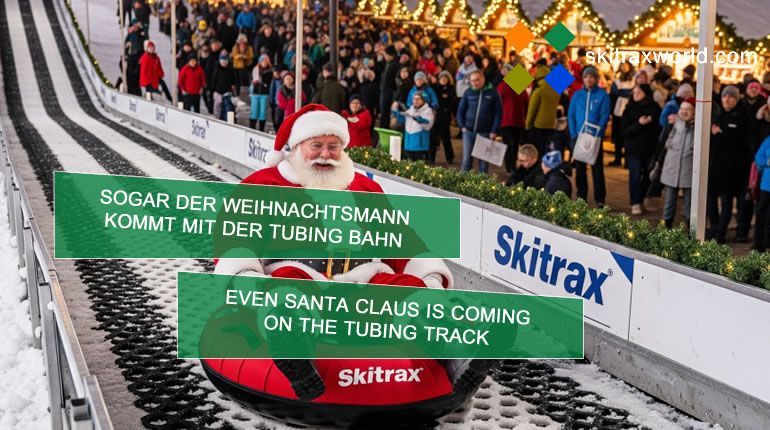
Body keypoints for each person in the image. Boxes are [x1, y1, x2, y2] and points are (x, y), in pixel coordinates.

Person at [211, 103, 493, 402]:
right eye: (316, 145)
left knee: (406, 290)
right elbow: (234, 235)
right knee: (287, 291)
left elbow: (398, 237)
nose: (325, 154)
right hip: (301, 275)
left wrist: (429, 276)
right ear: (296, 147)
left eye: (333, 147)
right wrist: (246, 277)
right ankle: (295, 353)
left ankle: (457, 352)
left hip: (362, 279)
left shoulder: (364, 188)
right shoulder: (264, 185)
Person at [707, 85, 750, 243]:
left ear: (736, 99)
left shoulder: (742, 117)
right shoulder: (717, 115)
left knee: (726, 202)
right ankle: (714, 227)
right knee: (711, 200)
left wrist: (719, 134)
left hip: (731, 170)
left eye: (731, 97)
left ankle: (720, 233)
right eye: (724, 96)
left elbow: (740, 142)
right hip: (714, 167)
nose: (727, 99)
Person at [568, 66, 610, 207]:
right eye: (586, 77)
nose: (589, 79)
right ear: (583, 78)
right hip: (579, 137)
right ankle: (581, 197)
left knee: (597, 169)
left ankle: (600, 199)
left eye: (592, 77)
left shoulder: (603, 95)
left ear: (596, 79)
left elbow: (604, 115)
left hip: (595, 138)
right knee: (580, 169)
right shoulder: (577, 95)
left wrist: (598, 134)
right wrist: (573, 134)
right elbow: (571, 115)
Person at [622, 84, 661, 215]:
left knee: (649, 176)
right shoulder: (629, 108)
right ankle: (635, 203)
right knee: (635, 175)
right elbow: (624, 131)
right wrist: (639, 124)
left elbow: (659, 128)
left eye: (639, 91)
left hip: (650, 149)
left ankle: (641, 198)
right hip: (633, 149)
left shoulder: (655, 108)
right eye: (634, 92)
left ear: (646, 93)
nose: (636, 94)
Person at [457, 71, 502, 173]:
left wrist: (494, 131)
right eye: (472, 81)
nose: (475, 83)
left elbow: (498, 113)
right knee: (466, 161)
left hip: (485, 132)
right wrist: (462, 126)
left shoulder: (493, 92)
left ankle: (482, 182)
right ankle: (463, 181)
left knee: (483, 163)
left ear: (483, 79)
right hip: (468, 132)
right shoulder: (468, 92)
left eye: (477, 80)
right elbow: (460, 110)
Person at [660, 98, 695, 229]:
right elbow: (663, 143)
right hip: (671, 169)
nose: (684, 112)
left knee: (689, 206)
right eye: (682, 109)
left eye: (688, 109)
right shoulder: (673, 125)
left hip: (689, 171)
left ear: (694, 112)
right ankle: (665, 231)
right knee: (668, 204)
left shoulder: (697, 128)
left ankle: (690, 232)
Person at [497, 64, 528, 172]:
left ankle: (509, 165)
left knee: (507, 145)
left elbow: (498, 102)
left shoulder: (501, 86)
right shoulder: (519, 85)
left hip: (505, 120)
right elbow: (526, 101)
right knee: (515, 145)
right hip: (518, 120)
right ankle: (512, 165)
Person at [526, 65, 559, 158]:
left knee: (538, 150)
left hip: (538, 125)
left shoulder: (538, 89)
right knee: (547, 149)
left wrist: (528, 125)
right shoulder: (556, 87)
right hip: (551, 124)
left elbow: (532, 109)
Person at [393, 92, 435, 161]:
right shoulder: (410, 110)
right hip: (408, 144)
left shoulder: (428, 111)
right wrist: (396, 111)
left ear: (423, 100)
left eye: (418, 99)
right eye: (414, 99)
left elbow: (428, 125)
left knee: (419, 165)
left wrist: (421, 120)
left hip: (420, 146)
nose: (415, 101)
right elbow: (401, 120)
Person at [609, 61, 635, 166]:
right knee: (618, 136)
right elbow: (614, 94)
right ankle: (617, 158)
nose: (623, 67)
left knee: (628, 136)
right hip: (618, 111)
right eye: (622, 66)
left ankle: (628, 161)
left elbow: (629, 93)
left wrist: (622, 92)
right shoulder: (617, 80)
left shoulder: (633, 79)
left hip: (629, 111)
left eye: (625, 65)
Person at [432, 71, 456, 164]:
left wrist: (446, 98)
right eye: (441, 78)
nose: (443, 80)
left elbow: (452, 101)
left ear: (448, 79)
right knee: (434, 138)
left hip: (445, 117)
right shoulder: (436, 87)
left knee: (446, 138)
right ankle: (431, 158)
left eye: (445, 78)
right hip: (435, 116)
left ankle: (450, 157)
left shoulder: (451, 88)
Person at [752, 134, 770, 251]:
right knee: (761, 214)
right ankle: (759, 244)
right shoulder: (768, 140)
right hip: (766, 185)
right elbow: (758, 157)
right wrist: (767, 162)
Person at [210, 52, 238, 121]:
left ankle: (229, 121)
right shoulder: (216, 70)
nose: (224, 63)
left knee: (229, 110)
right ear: (220, 61)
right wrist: (212, 91)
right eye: (222, 61)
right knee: (218, 111)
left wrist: (235, 92)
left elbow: (234, 81)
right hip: (218, 93)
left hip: (228, 94)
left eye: (225, 61)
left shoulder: (231, 69)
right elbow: (213, 82)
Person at [250, 54, 273, 131]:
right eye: (263, 60)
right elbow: (252, 80)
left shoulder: (270, 71)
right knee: (254, 111)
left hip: (264, 93)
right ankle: (252, 129)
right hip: (255, 93)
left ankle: (261, 129)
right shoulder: (255, 69)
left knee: (262, 112)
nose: (264, 62)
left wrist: (261, 80)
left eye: (266, 60)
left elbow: (268, 81)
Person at [378, 45, 399, 128]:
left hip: (389, 92)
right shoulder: (388, 63)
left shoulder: (395, 65)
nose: (385, 56)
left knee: (385, 113)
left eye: (386, 55)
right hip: (384, 91)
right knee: (383, 112)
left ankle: (383, 128)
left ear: (392, 55)